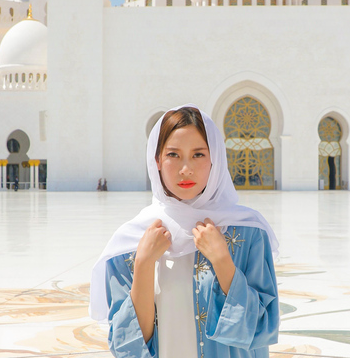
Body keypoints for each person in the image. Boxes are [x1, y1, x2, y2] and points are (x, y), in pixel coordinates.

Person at [90, 105, 279, 358]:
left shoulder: (248, 231)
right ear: (157, 160)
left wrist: (223, 261)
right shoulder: (132, 241)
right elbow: (128, 347)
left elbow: (262, 328)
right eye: (173, 155)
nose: (186, 169)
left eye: (198, 155)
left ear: (215, 159)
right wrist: (144, 263)